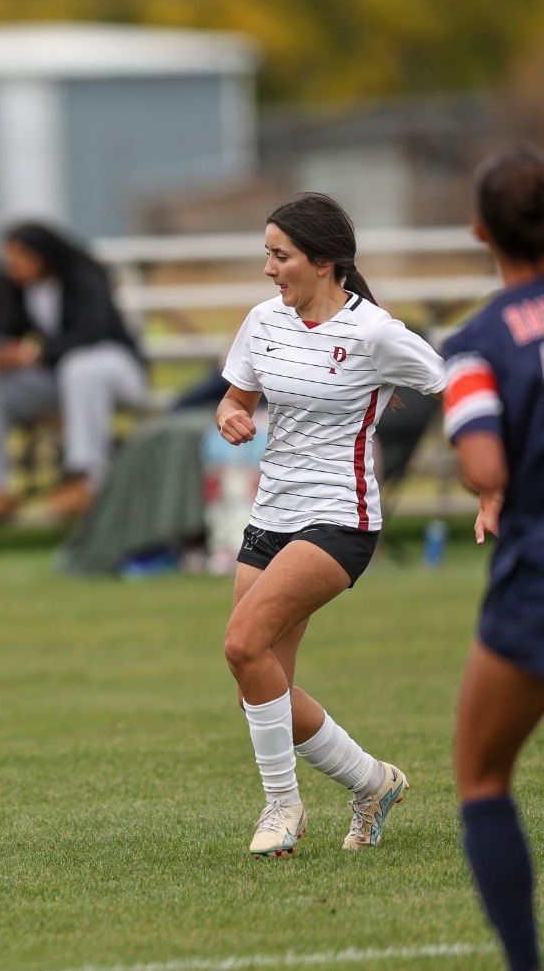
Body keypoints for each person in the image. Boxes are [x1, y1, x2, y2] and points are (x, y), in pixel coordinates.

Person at [213, 191, 444, 858]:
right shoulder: (262, 322)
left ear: (322, 262)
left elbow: (455, 383)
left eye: (278, 255)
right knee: (257, 684)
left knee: (240, 644)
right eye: (265, 253)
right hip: (271, 515)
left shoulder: (373, 332)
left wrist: (492, 475)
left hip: (340, 519)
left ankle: (282, 807)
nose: (267, 268)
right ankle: (372, 782)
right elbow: (236, 397)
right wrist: (230, 414)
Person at [443, 148, 544, 971]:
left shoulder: (475, 343)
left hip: (537, 572)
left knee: (481, 774)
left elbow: (485, 473)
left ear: (481, 231)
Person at [0, 221, 150, 523]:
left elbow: (91, 332)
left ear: (41, 254)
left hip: (116, 366)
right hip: (63, 377)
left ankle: (88, 478)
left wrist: (33, 354)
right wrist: (2, 355)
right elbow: (2, 330)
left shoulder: (83, 278)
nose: (12, 264)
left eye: (19, 255)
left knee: (80, 367)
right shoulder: (16, 289)